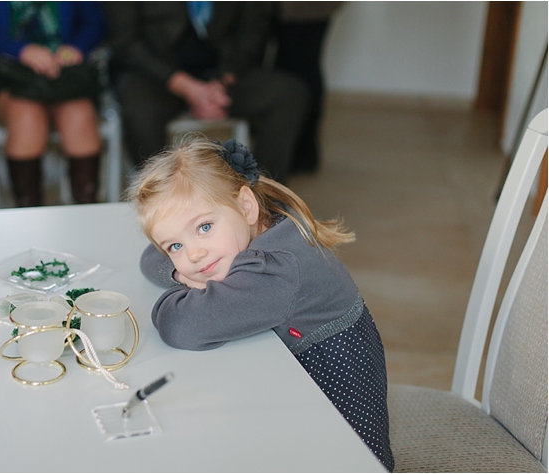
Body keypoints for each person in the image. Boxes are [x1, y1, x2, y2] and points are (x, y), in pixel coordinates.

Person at [127, 135, 394, 471]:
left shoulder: (274, 271)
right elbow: (149, 259)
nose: (194, 253)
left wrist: (186, 280)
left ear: (247, 206)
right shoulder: (263, 222)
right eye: (176, 246)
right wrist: (183, 275)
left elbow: (180, 325)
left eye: (204, 227)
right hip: (293, 398)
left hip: (338, 445)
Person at [103, 2, 309, 185]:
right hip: (153, 73)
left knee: (289, 94)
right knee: (140, 108)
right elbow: (125, 40)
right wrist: (186, 86)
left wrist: (222, 81)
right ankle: (162, 197)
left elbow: (253, 29)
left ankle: (264, 200)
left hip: (220, 72)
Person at [0, 2, 103, 207]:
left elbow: (93, 22)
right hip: (0, 73)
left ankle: (87, 211)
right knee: (27, 116)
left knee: (79, 114)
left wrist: (75, 47)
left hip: (64, 72)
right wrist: (20, 50)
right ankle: (30, 215)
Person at [274, 2, 343, 174]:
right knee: (288, 69)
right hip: (290, 10)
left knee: (302, 70)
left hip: (304, 9)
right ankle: (293, 151)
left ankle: (302, 152)